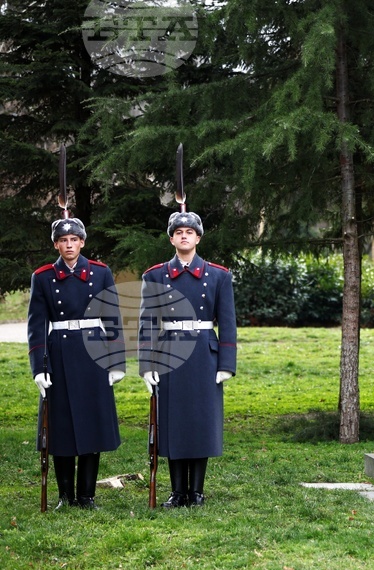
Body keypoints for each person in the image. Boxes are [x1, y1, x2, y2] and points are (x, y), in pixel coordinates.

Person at [139, 210, 236, 508]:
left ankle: (197, 491)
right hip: (169, 354)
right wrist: (147, 365)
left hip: (205, 355)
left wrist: (226, 364)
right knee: (174, 423)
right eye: (178, 232)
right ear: (171, 239)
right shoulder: (154, 276)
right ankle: (177, 491)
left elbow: (228, 322)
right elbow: (147, 324)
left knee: (201, 423)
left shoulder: (219, 276)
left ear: (198, 238)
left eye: (189, 232)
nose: (184, 236)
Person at [28, 217, 125, 509]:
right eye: (63, 241)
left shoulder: (101, 272)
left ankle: (87, 496)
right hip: (59, 354)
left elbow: (113, 319)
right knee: (61, 429)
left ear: (82, 242)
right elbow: (36, 326)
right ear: (56, 244)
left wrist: (116, 361)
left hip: (94, 355)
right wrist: (39, 368)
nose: (68, 245)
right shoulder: (43, 277)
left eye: (74, 240)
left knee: (92, 425)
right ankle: (65, 496)